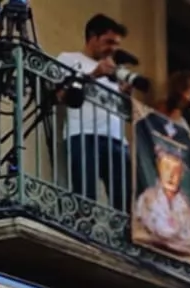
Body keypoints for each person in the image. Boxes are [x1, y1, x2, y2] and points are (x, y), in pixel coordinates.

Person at [57, 14, 131, 213]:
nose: (113, 48)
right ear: (92, 36)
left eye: (116, 44)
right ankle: (85, 231)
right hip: (83, 134)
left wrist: (125, 94)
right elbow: (61, 95)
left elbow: (124, 110)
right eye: (108, 42)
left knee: (124, 202)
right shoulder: (68, 59)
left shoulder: (116, 70)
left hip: (117, 139)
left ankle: (121, 242)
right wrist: (95, 74)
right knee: (85, 194)